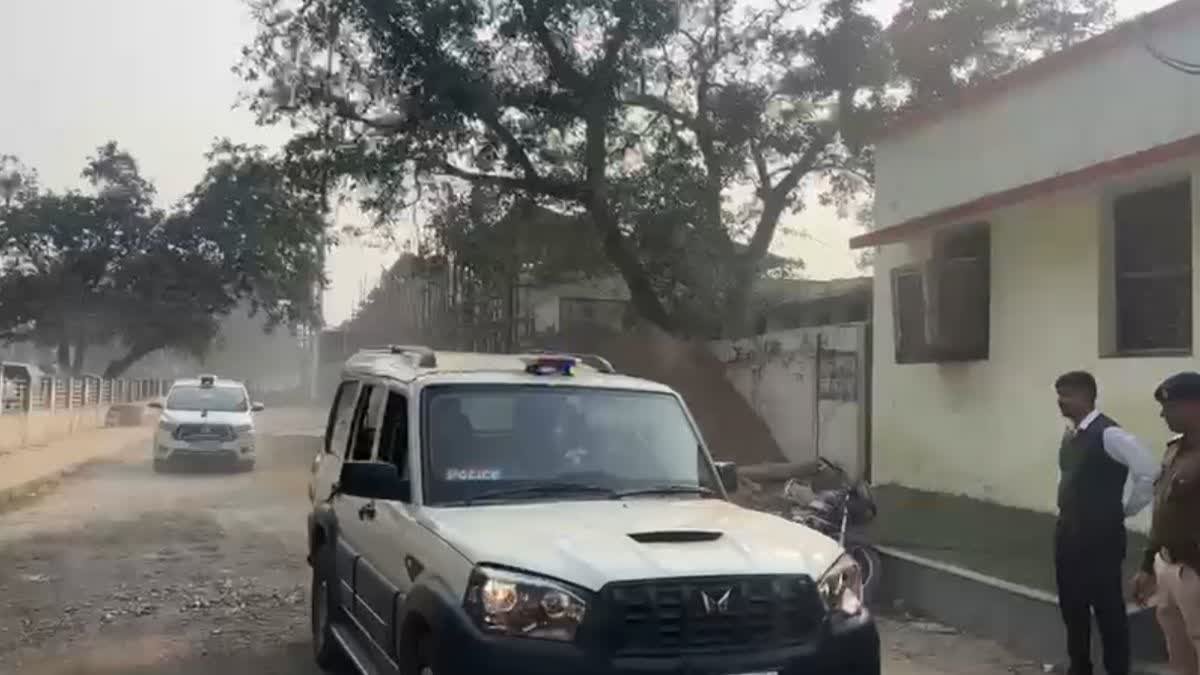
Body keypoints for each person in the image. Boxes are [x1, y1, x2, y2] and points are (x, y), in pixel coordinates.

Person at [1054, 371, 1158, 675]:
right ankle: (1079, 667)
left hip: (1100, 537)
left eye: (1066, 395)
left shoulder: (1109, 434)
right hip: (1068, 533)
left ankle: (1117, 669)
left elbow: (1148, 472)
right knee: (1072, 605)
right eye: (1059, 395)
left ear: (1085, 396)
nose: (1060, 402)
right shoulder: (1071, 435)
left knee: (1107, 607)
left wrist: (1126, 509)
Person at [1131, 372, 1200, 675]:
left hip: (1195, 571)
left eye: (1169, 407)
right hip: (1168, 568)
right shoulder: (1174, 450)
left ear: (1194, 406)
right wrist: (1148, 565)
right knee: (1179, 654)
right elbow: (1163, 511)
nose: (1163, 414)